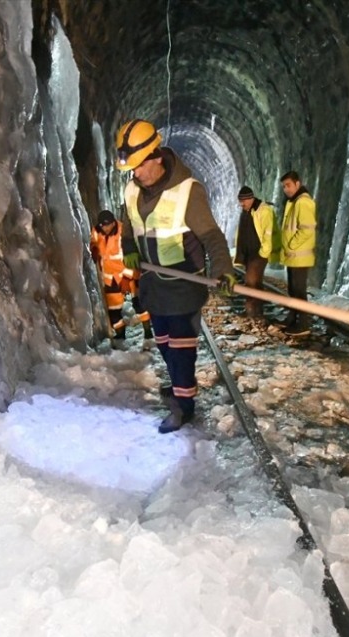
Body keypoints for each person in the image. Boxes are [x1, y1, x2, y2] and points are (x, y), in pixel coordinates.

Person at [115, 118, 236, 433]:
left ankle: (184, 407)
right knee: (166, 345)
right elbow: (128, 226)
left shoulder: (187, 192)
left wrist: (223, 269)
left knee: (182, 352)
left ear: (156, 157)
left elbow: (212, 237)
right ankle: (181, 388)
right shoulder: (132, 190)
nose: (136, 173)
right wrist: (128, 246)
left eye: (140, 166)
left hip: (184, 285)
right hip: (154, 287)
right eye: (132, 168)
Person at [91, 209, 153, 348]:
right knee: (113, 309)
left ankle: (148, 332)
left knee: (138, 302)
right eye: (103, 226)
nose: (105, 228)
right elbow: (94, 241)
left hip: (128, 273)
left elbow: (131, 254)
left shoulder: (123, 233)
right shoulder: (96, 231)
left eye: (108, 225)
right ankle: (120, 335)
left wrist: (126, 277)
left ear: (113, 223)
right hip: (109, 276)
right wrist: (94, 248)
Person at [276, 170, 317, 337]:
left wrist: (291, 245)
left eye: (289, 185)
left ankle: (304, 323)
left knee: (299, 291)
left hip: (300, 255)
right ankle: (292, 318)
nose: (286, 189)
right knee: (293, 289)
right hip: (293, 256)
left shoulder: (303, 202)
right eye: (284, 186)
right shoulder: (293, 202)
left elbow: (307, 229)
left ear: (297, 184)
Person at [233, 186, 277, 319]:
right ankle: (258, 311)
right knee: (256, 282)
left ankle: (250, 310)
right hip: (248, 253)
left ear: (250, 199)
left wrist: (264, 253)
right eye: (240, 201)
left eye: (243, 201)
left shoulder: (263, 210)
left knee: (250, 281)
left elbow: (268, 233)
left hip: (258, 254)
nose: (241, 204)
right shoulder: (246, 211)